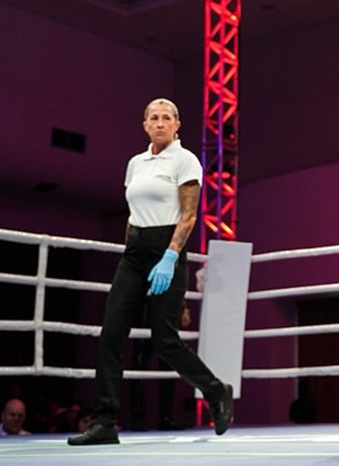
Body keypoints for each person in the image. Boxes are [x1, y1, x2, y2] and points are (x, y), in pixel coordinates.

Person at [69, 98, 234, 446]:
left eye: (167, 118)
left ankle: (217, 391)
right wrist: (132, 246)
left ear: (177, 125)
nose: (160, 123)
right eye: (153, 118)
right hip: (134, 253)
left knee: (165, 341)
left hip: (167, 247)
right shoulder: (135, 164)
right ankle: (104, 422)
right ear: (144, 124)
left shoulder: (185, 159)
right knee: (111, 333)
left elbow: (188, 215)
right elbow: (133, 211)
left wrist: (171, 256)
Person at [129, 300, 192, 431]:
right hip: (145, 306)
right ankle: (137, 419)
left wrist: (184, 308)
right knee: (140, 365)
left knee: (169, 364)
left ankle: (165, 417)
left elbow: (175, 280)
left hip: (168, 308)